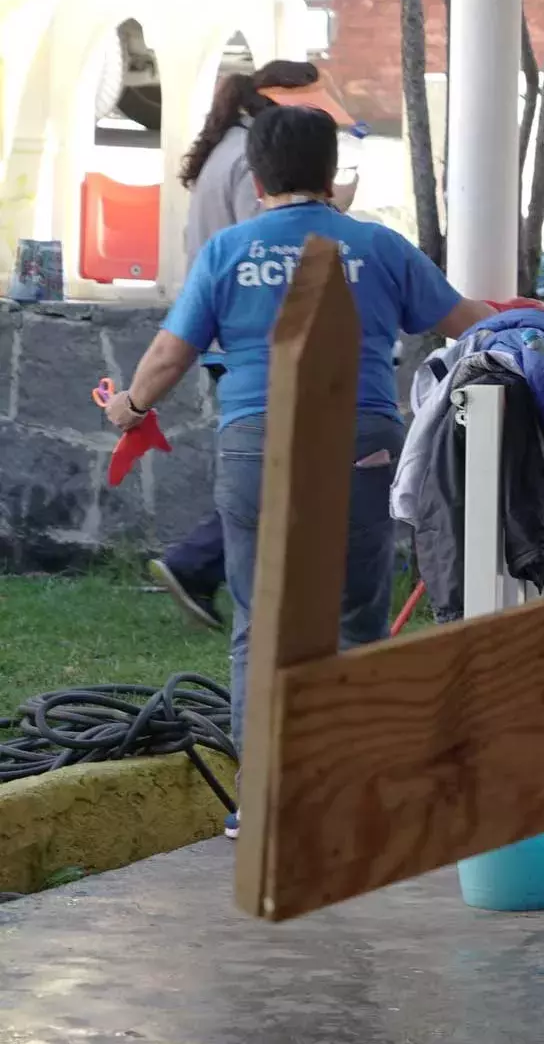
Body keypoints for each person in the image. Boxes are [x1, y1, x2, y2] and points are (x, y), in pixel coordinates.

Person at [104, 105, 494, 837]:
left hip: (257, 443)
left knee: (262, 622)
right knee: (355, 618)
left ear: (257, 178)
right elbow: (469, 321)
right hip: (361, 440)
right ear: (331, 176)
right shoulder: (379, 247)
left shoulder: (229, 250)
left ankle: (266, 800)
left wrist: (129, 407)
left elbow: (168, 355)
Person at [148, 61, 361, 630]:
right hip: (261, 348)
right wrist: (334, 212)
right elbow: (274, 246)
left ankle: (212, 570)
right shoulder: (248, 162)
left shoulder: (229, 148)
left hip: (233, 342)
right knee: (280, 479)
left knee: (275, 477)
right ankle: (196, 563)